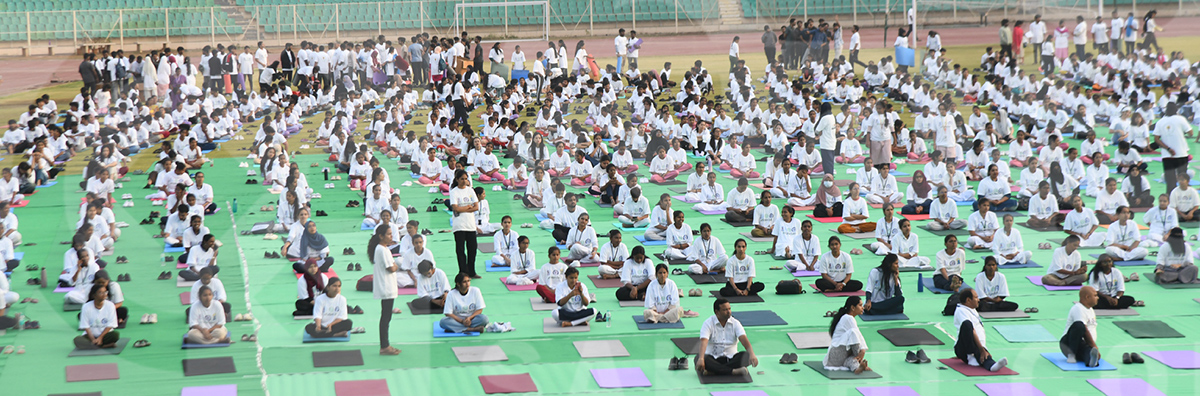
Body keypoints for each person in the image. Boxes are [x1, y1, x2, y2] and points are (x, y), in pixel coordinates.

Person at [697, 298, 759, 377]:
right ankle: (733, 371)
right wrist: (701, 358)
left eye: (729, 309)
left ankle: (714, 371)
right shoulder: (708, 323)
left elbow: (744, 339)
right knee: (700, 358)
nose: (728, 312)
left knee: (746, 356)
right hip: (714, 358)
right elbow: (704, 341)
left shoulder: (735, 323)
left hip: (731, 359)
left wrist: (752, 354)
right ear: (717, 312)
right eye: (725, 310)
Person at [953, 289, 1009, 372]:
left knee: (982, 355)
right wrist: (981, 348)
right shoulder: (961, 311)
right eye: (976, 297)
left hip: (974, 344)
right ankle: (985, 362)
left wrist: (983, 348)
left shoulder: (971, 308)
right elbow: (971, 331)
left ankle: (988, 363)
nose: (978, 300)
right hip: (965, 348)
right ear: (968, 300)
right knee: (967, 324)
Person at [369, 224, 401, 355]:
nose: (391, 236)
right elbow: (391, 267)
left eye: (391, 234)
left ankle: (385, 345)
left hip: (388, 286)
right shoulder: (382, 249)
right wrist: (396, 264)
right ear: (381, 236)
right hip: (386, 287)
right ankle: (384, 346)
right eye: (388, 234)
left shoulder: (383, 249)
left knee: (386, 317)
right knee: (385, 318)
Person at [824, 296, 871, 374]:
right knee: (853, 333)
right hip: (837, 353)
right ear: (852, 307)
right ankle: (860, 362)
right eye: (860, 305)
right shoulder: (848, 318)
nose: (862, 308)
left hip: (838, 359)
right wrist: (862, 350)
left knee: (851, 360)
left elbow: (859, 335)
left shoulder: (848, 318)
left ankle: (857, 368)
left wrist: (862, 350)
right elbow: (857, 334)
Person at [449, 169, 481, 278]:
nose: (464, 181)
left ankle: (471, 271)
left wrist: (463, 209)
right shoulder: (454, 192)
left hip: (470, 225)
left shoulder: (470, 191)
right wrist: (467, 208)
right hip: (459, 225)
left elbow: (476, 207)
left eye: (466, 179)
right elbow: (455, 208)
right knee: (460, 250)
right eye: (462, 179)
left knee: (472, 249)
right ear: (457, 180)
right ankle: (463, 272)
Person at [1060, 286, 1101, 367]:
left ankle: (1091, 361)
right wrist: (1094, 346)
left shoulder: (1090, 309)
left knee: (1088, 352)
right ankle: (1071, 354)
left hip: (1082, 344)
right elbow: (1084, 330)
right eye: (1095, 295)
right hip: (1068, 344)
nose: (1098, 298)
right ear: (1087, 297)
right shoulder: (1078, 308)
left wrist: (1093, 349)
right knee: (1079, 325)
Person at [75, 283, 120, 349]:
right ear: (94, 295)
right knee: (77, 340)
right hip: (90, 336)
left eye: (105, 292)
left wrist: (100, 337)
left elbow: (110, 324)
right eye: (100, 293)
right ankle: (104, 345)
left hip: (105, 335)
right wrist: (93, 339)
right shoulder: (86, 306)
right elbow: (85, 326)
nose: (104, 294)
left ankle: (94, 345)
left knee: (115, 335)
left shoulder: (110, 305)